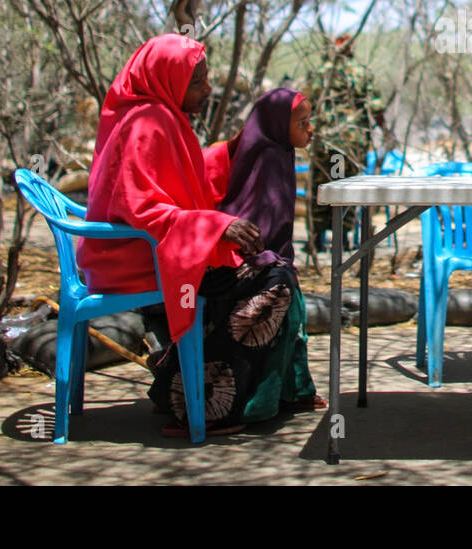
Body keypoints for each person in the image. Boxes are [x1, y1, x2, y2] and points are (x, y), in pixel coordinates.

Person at [78, 35, 301, 437]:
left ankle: (180, 379)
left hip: (153, 252)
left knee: (269, 270)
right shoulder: (146, 124)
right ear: (168, 78)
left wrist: (239, 147)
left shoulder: (160, 117)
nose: (207, 90)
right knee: (276, 279)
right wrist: (216, 225)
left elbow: (186, 176)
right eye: (198, 81)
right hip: (137, 262)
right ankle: (205, 400)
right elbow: (141, 208)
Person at [208, 87, 323, 415]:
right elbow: (257, 223)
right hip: (237, 263)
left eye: (309, 121)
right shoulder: (268, 158)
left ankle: (293, 391)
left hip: (268, 257)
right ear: (276, 124)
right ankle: (252, 402)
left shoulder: (279, 151)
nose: (310, 129)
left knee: (292, 296)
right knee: (281, 289)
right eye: (302, 123)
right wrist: (270, 258)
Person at [304, 34, 386, 251]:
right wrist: (384, 129)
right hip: (352, 142)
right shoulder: (362, 73)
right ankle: (342, 237)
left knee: (323, 187)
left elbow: (306, 102)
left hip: (326, 141)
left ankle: (317, 238)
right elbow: (376, 106)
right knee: (345, 187)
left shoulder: (321, 73)